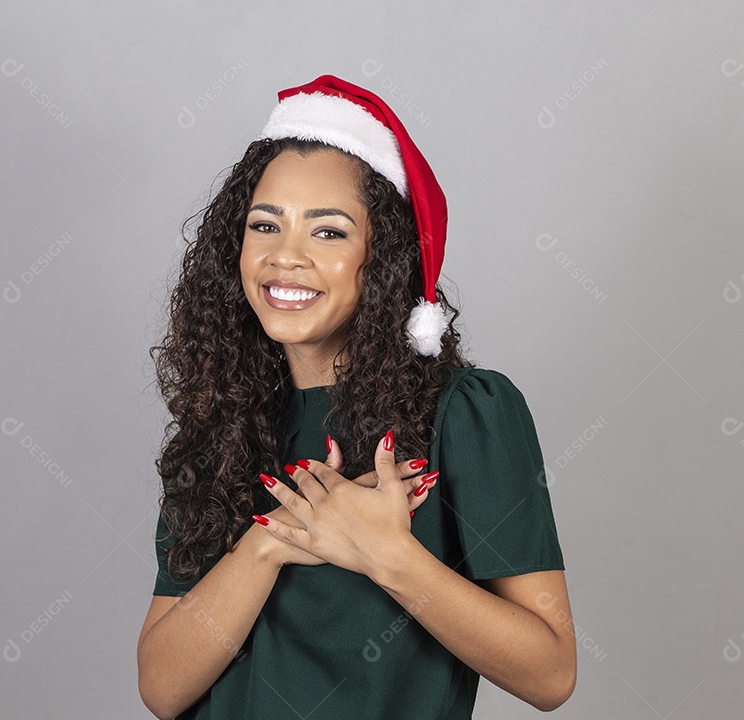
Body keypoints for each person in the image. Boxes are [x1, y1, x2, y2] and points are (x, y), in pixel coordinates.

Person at [137, 74, 575, 719]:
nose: (285, 257)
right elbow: (163, 688)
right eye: (265, 225)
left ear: (385, 256)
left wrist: (387, 553)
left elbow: (550, 672)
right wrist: (270, 541)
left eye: (329, 232)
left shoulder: (467, 413)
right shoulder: (220, 425)